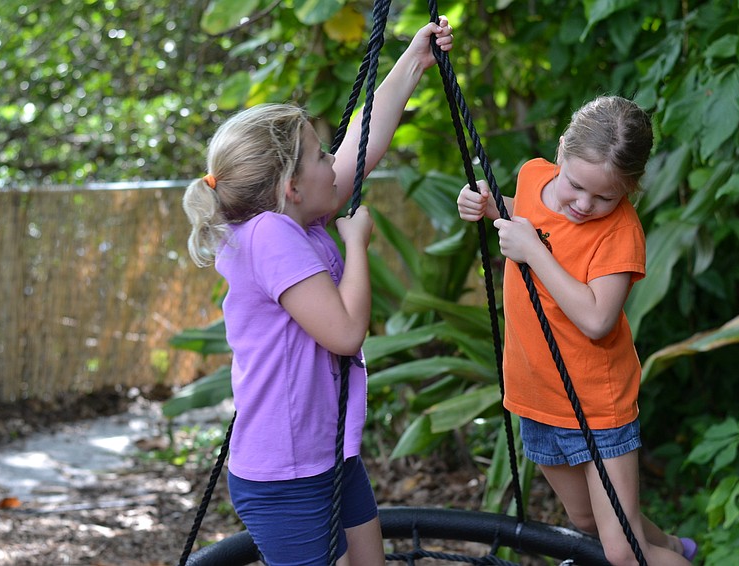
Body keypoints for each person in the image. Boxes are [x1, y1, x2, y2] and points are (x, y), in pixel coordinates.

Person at [181, 18, 454, 566]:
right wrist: (357, 245)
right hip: (287, 472)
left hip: (326, 455)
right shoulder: (271, 234)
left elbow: (361, 142)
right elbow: (346, 333)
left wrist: (412, 62)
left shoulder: (291, 216)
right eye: (319, 155)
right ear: (291, 186)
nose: (334, 162)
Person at [456, 96, 697, 565]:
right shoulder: (532, 176)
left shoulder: (619, 234)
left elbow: (596, 318)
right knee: (585, 521)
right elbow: (528, 214)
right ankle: (669, 547)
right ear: (561, 151)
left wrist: (532, 251)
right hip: (536, 395)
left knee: (622, 554)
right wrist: (489, 204)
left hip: (597, 407)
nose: (585, 205)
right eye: (576, 186)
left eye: (605, 197)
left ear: (630, 189)